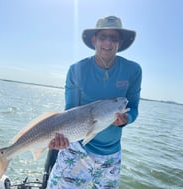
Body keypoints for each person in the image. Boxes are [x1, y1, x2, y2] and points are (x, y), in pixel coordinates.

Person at [46, 16, 142, 189]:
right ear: (94, 40)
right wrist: (60, 139)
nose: (108, 42)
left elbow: (133, 106)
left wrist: (127, 119)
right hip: (76, 149)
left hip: (111, 154)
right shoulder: (77, 69)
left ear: (120, 41)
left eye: (113, 38)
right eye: (103, 36)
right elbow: (70, 110)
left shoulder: (133, 70)